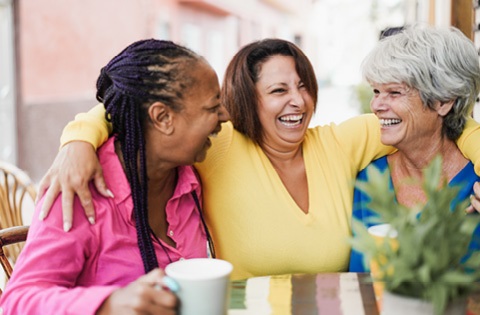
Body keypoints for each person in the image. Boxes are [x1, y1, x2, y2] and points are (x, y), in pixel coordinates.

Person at [36, 38, 480, 281]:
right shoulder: (216, 145)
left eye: (303, 84)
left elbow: (451, 126)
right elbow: (136, 110)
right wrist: (77, 139)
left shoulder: (344, 141)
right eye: (278, 90)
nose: (298, 101)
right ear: (244, 100)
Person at [0, 39, 229, 314]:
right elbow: (16, 301)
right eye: (212, 107)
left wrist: (80, 135)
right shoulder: (78, 189)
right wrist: (107, 304)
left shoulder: (189, 177)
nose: (224, 116)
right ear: (163, 117)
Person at [349, 25, 480, 272]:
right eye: (376, 91)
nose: (376, 104)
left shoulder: (476, 184)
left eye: (394, 92)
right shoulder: (367, 178)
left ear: (443, 101)